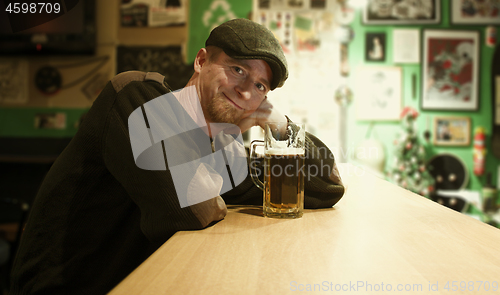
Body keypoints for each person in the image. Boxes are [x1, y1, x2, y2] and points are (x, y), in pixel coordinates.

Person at [9, 18, 344, 295]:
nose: (246, 91)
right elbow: (191, 211)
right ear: (201, 61)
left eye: (260, 86)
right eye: (238, 70)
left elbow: (327, 186)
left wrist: (277, 120)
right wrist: (215, 182)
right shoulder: (135, 97)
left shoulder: (221, 145)